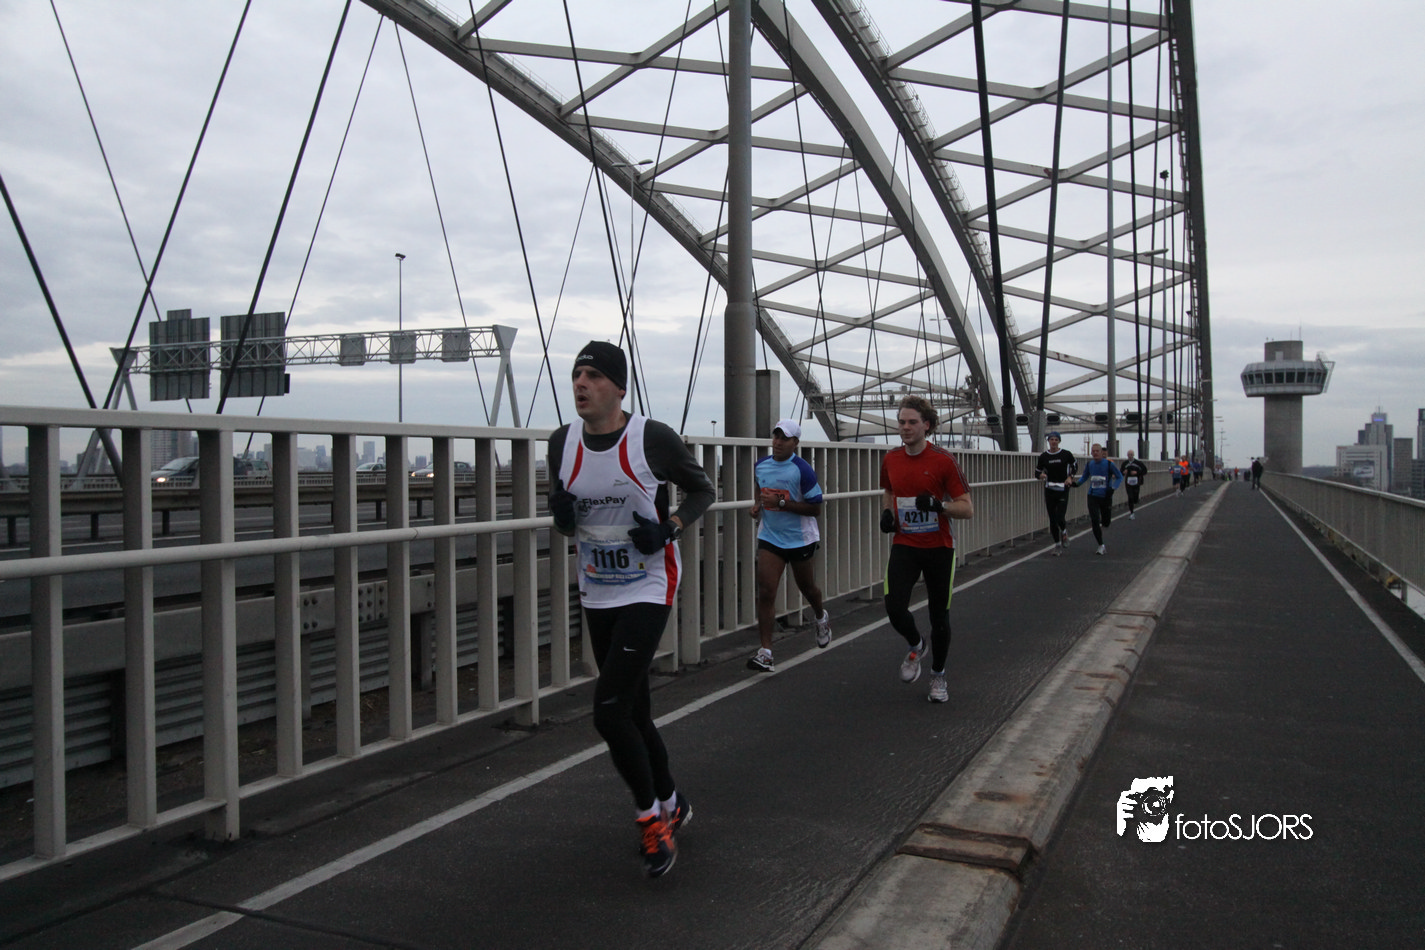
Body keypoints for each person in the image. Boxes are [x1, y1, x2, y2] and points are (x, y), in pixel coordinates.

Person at [547, 341, 716, 879]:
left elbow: (702, 491)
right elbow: (567, 525)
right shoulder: (562, 443)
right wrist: (561, 515)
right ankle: (673, 801)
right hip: (597, 588)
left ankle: (651, 821)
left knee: (608, 710)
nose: (581, 383)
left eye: (593, 375)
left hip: (648, 584)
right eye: (576, 374)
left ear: (619, 388)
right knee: (634, 711)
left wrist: (668, 528)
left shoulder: (651, 438)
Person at [879, 395, 973, 703]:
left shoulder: (943, 461)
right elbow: (889, 489)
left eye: (912, 422)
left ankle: (938, 675)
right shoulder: (891, 459)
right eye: (901, 422)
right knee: (894, 606)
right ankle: (916, 644)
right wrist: (887, 513)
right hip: (905, 543)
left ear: (927, 425)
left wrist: (938, 506)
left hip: (939, 547)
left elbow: (967, 508)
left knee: (939, 617)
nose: (905, 428)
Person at [747, 419, 831, 672]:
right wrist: (757, 505)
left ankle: (820, 616)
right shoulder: (761, 465)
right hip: (771, 536)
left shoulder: (802, 470)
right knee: (766, 591)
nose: (778, 442)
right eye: (776, 437)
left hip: (799, 538)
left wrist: (781, 503)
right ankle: (766, 653)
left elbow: (815, 508)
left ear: (795, 442)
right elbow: (760, 488)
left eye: (784, 438)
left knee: (807, 588)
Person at [1076, 443, 1123, 555]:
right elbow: (1084, 477)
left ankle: (1105, 522)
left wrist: (1113, 488)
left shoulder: (1109, 464)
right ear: (1091, 453)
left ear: (1102, 453)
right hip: (1092, 495)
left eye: (1097, 451)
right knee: (1095, 520)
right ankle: (1101, 545)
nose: (1095, 453)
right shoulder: (1090, 464)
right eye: (1093, 451)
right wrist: (1076, 484)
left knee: (1106, 522)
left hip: (1105, 496)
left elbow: (1119, 477)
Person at [1035, 431, 1077, 555]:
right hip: (1050, 489)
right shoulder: (1044, 456)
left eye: (1056, 439)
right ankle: (1057, 545)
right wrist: (1041, 475)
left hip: (1063, 488)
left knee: (1060, 517)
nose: (1053, 442)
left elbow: (1075, 466)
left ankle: (1063, 531)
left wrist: (1070, 477)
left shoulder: (1066, 454)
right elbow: (1037, 472)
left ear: (1059, 441)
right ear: (1048, 441)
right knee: (1052, 519)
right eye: (1051, 439)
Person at [1120, 450, 1148, 520]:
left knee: (1135, 498)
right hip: (1128, 483)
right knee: (1130, 497)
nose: (1130, 456)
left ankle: (1136, 500)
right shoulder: (1125, 463)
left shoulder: (1138, 463)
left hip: (1136, 482)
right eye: (1129, 455)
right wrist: (1124, 472)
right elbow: (1121, 472)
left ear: (1133, 455)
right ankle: (1131, 513)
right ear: (1127, 455)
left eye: (1131, 454)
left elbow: (1145, 471)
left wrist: (1137, 472)